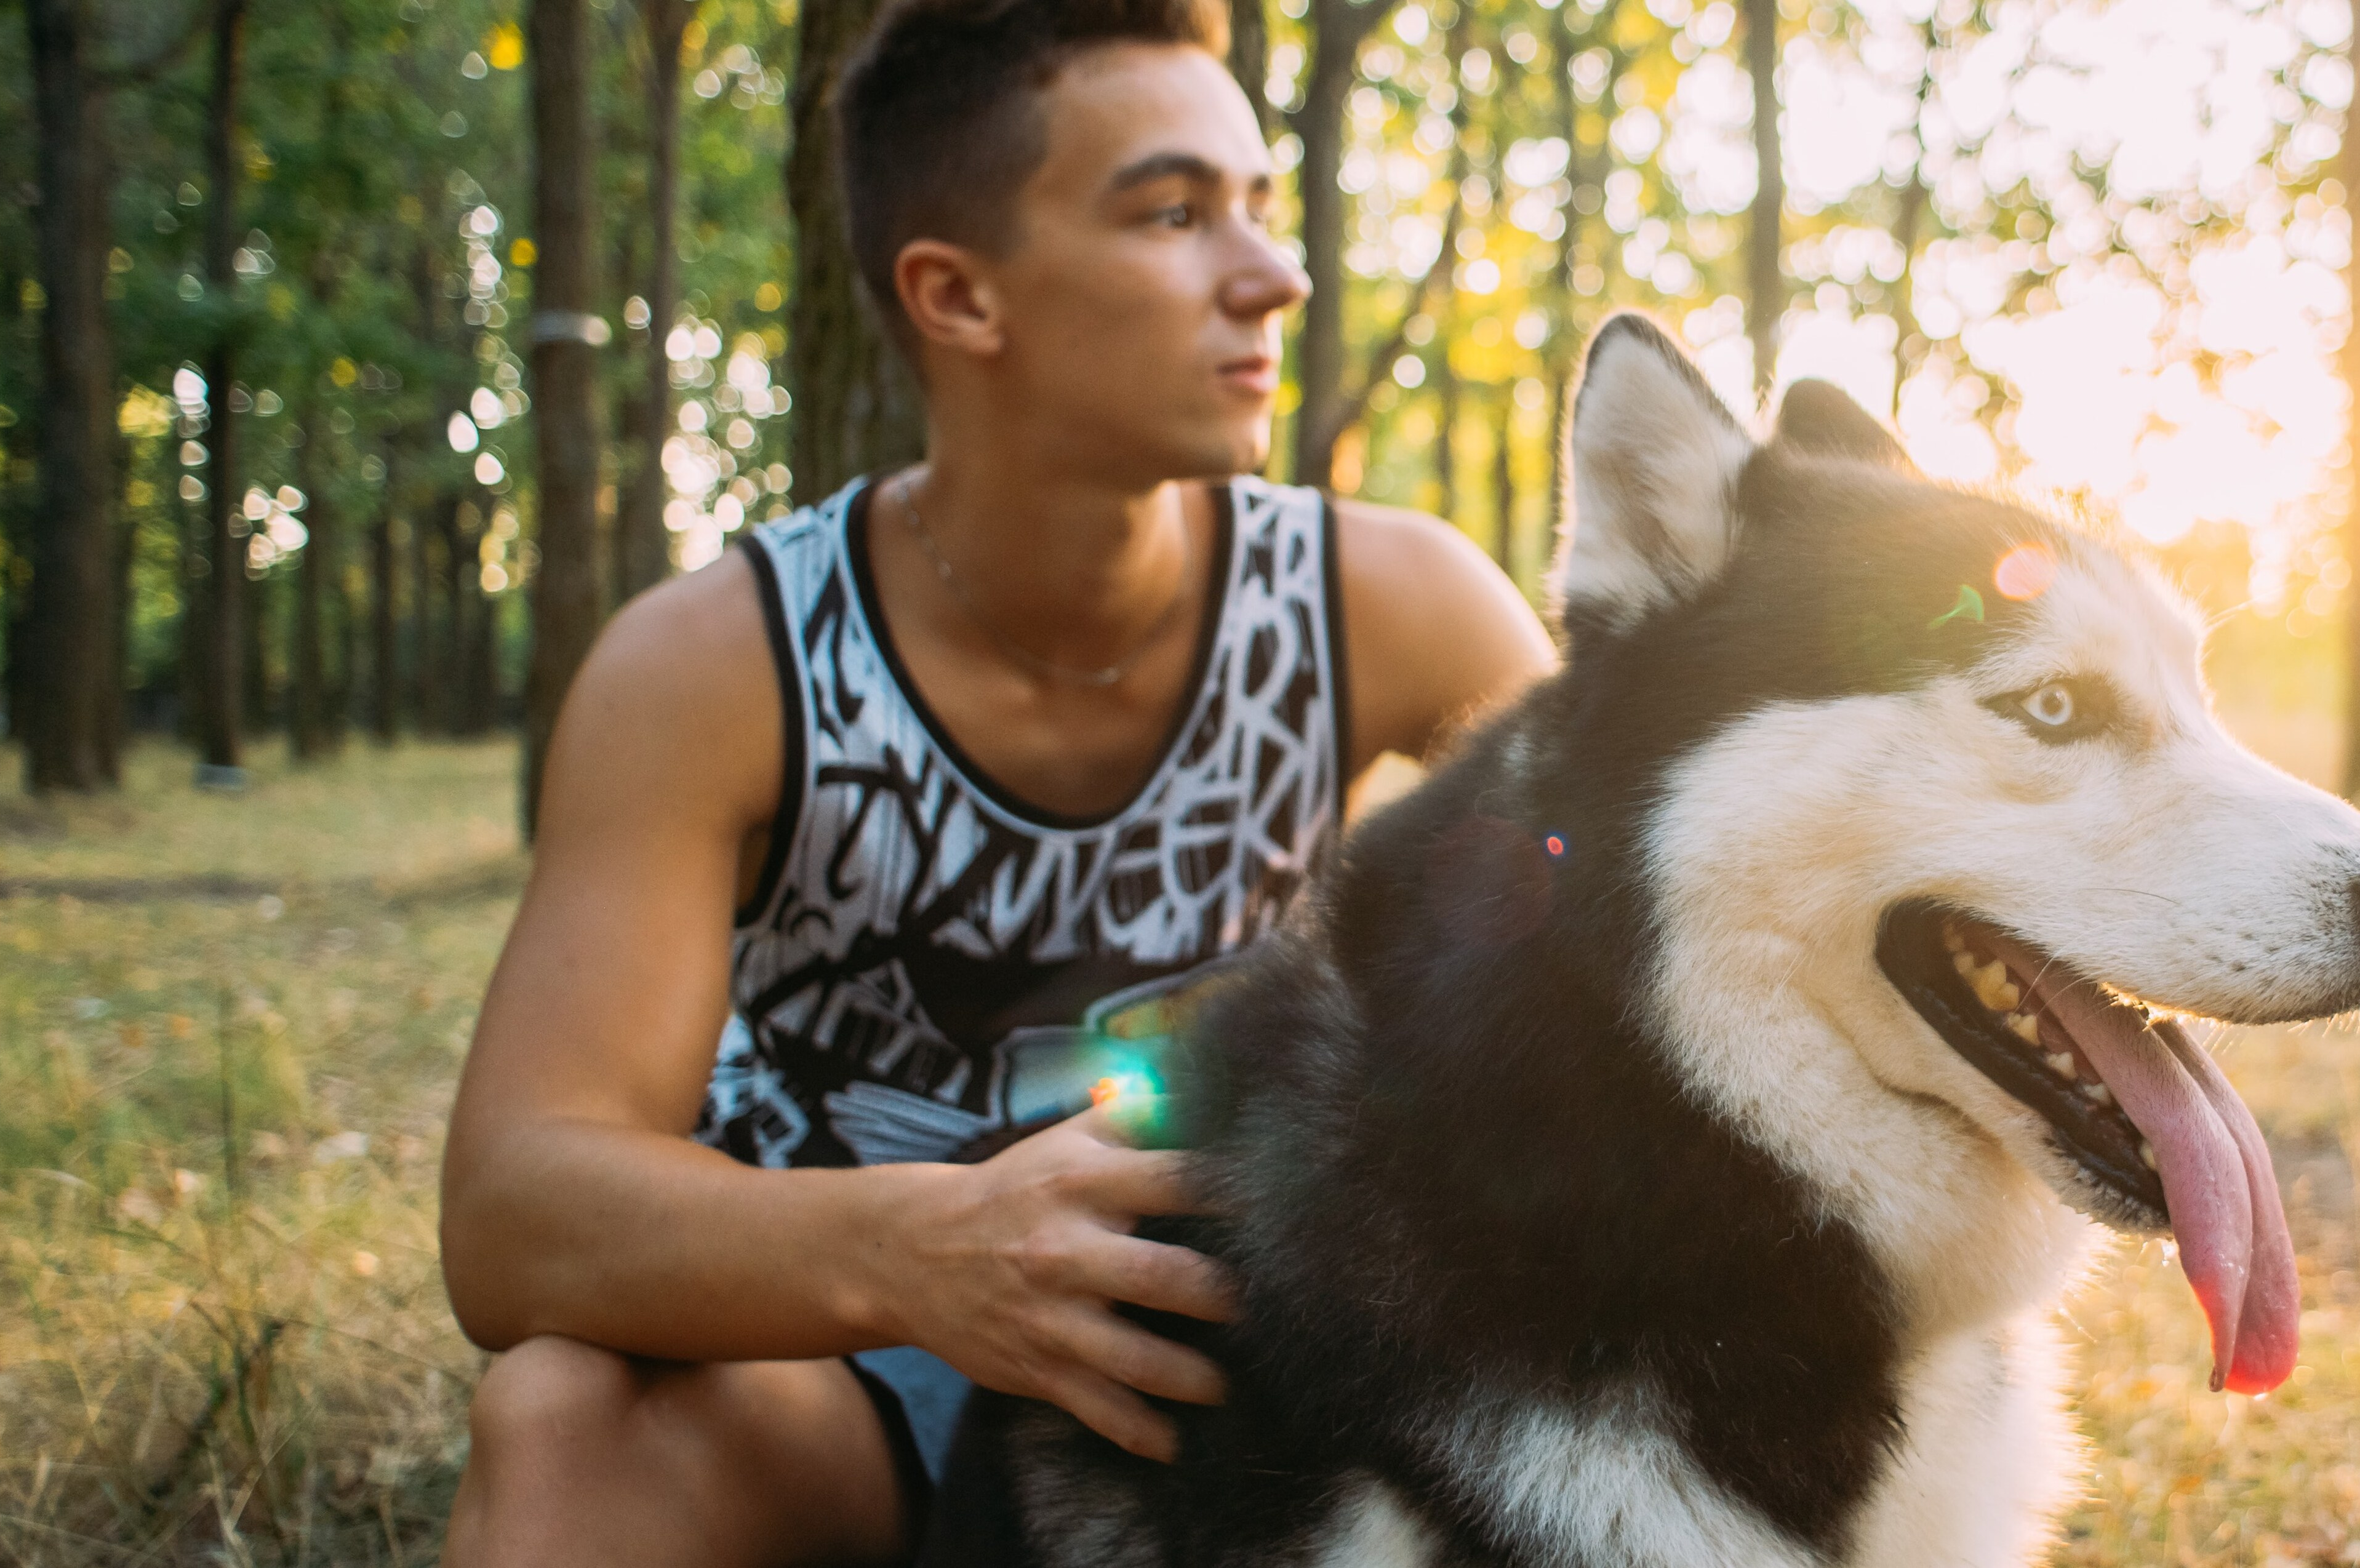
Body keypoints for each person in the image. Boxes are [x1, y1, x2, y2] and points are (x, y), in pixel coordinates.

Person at [431, 0, 1556, 1556]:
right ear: (958, 297)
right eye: (1172, 212)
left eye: (1257, 206)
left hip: (1231, 1403)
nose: (1273, 275)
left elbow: (1633, 968)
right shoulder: (714, 663)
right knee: (562, 1415)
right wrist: (932, 1254)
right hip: (842, 1385)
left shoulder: (1396, 603)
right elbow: (515, 1210)